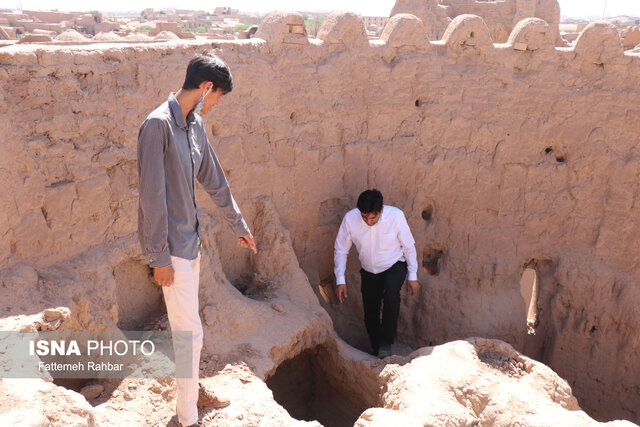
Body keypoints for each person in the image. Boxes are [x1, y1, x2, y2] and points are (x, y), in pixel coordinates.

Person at [137, 53, 257, 427]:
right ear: (206, 88)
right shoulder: (156, 126)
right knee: (189, 334)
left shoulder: (195, 125)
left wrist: (239, 225)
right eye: (219, 95)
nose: (218, 103)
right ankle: (188, 418)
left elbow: (214, 180)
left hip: (193, 243)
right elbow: (151, 199)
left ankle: (191, 393)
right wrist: (158, 258)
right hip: (171, 251)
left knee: (191, 331)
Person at [334, 189, 419, 358]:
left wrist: (413, 276)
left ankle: (386, 342)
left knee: (390, 293)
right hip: (369, 270)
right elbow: (341, 249)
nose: (368, 221)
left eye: (372, 217)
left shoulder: (395, 216)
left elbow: (408, 246)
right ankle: (376, 349)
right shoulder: (350, 219)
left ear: (381, 210)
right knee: (370, 311)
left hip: (394, 264)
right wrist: (340, 280)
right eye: (364, 217)